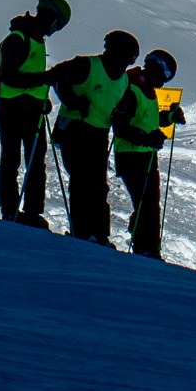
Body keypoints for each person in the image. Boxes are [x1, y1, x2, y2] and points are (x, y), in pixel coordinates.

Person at [46, 30, 138, 245]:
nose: (126, 63)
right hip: (74, 127)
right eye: (127, 57)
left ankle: (97, 234)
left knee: (97, 183)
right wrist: (72, 101)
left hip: (98, 131)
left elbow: (119, 102)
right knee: (82, 180)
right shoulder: (88, 65)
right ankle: (83, 232)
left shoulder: (123, 78)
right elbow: (56, 76)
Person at [0, 0, 70, 227]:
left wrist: (42, 95)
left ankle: (31, 212)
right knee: (12, 158)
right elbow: (10, 78)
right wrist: (44, 79)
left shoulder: (35, 39)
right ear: (52, 19)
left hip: (29, 110)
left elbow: (27, 78)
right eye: (58, 25)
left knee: (34, 160)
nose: (56, 30)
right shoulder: (18, 38)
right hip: (13, 111)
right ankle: (11, 210)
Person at [110, 48, 183, 259]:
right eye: (165, 77)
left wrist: (169, 117)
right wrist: (146, 138)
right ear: (157, 70)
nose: (164, 83)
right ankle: (145, 248)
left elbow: (149, 118)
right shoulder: (131, 89)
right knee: (146, 202)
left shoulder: (146, 90)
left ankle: (147, 245)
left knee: (148, 201)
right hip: (132, 154)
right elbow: (121, 126)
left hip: (144, 154)